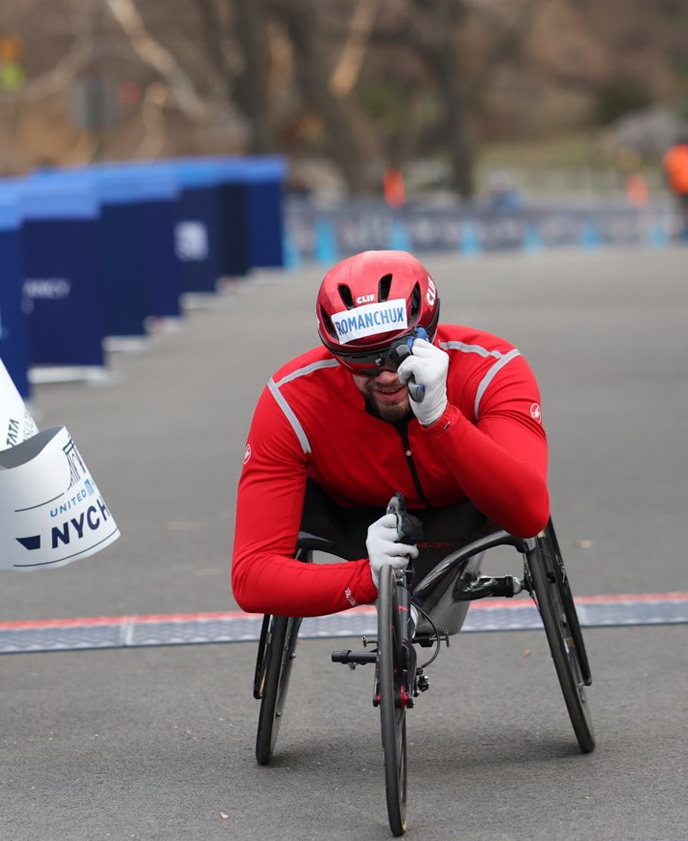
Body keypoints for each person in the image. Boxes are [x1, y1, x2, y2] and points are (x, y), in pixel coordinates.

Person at [231, 251, 549, 619]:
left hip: (471, 502)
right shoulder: (291, 400)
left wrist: (440, 417)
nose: (385, 376)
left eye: (399, 354)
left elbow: (529, 516)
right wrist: (366, 578)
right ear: (334, 353)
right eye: (361, 361)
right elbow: (251, 577)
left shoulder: (492, 368)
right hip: (353, 516)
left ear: (429, 332)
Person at [660, 140, 688, 241]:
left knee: (679, 211)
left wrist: (667, 183)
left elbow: (667, 168)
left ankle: (678, 234)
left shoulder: (673, 152)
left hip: (678, 186)